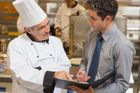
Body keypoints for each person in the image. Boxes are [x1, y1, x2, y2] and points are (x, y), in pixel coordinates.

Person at [69, 0, 136, 93]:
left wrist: (94, 92)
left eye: (93, 18)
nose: (89, 20)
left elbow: (122, 84)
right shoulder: (91, 35)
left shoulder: (122, 46)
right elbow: (85, 61)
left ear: (107, 19)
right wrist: (82, 71)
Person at [7, 0, 71, 93]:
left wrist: (39, 71)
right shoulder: (16, 45)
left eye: (48, 23)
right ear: (28, 30)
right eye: (42, 27)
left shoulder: (56, 42)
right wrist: (52, 75)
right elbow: (22, 75)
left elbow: (65, 67)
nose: (48, 30)